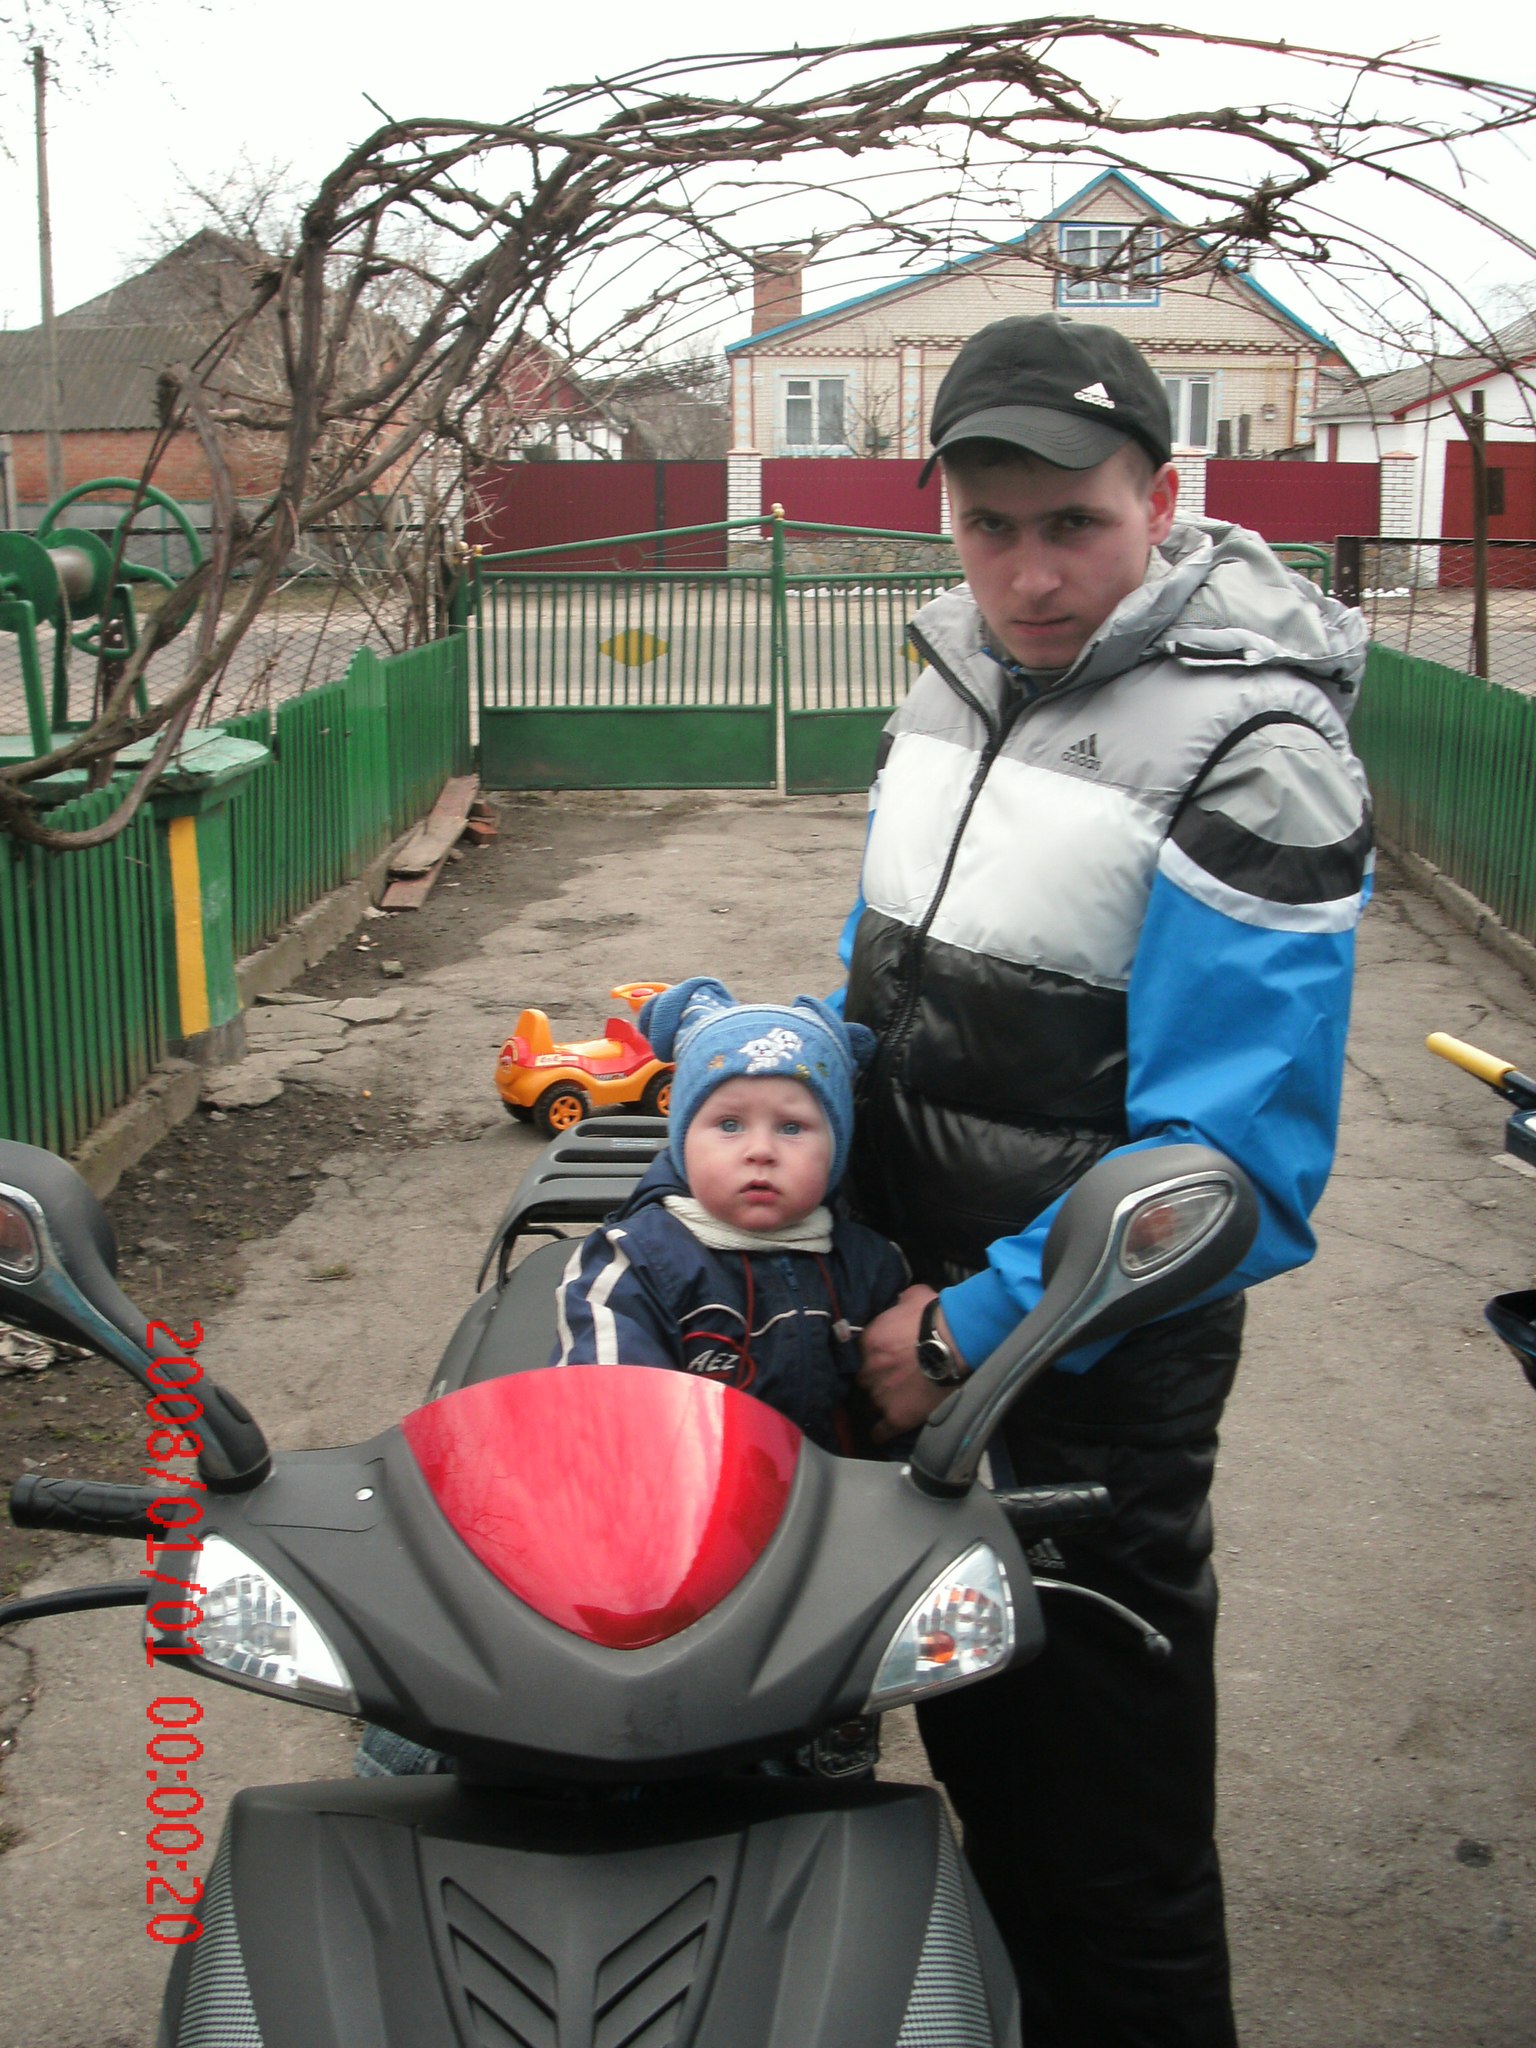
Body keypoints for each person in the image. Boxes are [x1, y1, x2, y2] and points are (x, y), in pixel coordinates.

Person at [840, 315, 1372, 2047]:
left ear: (1164, 494)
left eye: (1074, 522)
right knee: (955, 1750)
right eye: (988, 526)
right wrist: (761, 1081)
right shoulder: (952, 674)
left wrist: (971, 1332)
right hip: (907, 1309)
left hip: (1074, 1355)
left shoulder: (1255, 750)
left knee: (1099, 1828)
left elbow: (1225, 1169)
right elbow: (891, 972)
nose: (1029, 573)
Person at [551, 976, 907, 1451]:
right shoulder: (635, 1266)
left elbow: (904, 1426)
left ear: (836, 1150)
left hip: (830, 1494)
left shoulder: (870, 1267)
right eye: (730, 1124)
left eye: (792, 1127)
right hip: (689, 1488)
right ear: (682, 1142)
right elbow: (604, 1404)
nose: (761, 1150)